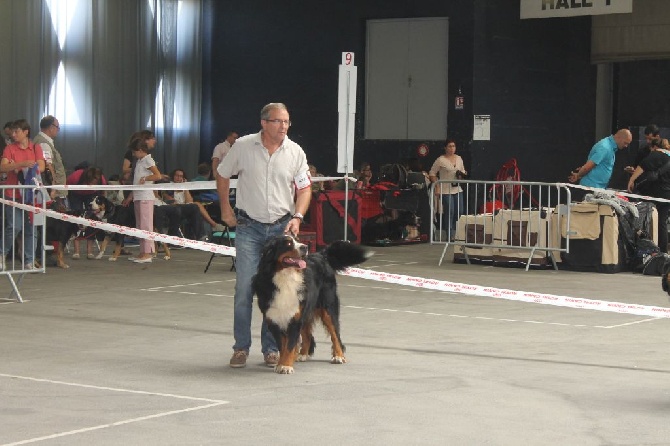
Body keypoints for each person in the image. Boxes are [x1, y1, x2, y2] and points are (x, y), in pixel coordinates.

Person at [216, 102, 311, 369]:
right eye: (279, 122)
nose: (284, 127)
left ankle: (271, 349)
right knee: (244, 289)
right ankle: (240, 348)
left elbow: (304, 189)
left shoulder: (295, 152)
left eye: (287, 122)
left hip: (281, 229)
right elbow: (222, 175)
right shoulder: (243, 147)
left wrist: (297, 217)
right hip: (249, 227)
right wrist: (225, 207)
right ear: (264, 123)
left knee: (276, 291)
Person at [0, 119, 46, 270]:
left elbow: (42, 166)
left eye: (16, 131)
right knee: (14, 226)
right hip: (12, 193)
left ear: (26, 132)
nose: (13, 135)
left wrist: (22, 166)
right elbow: (3, 167)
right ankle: (2, 255)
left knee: (31, 227)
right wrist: (21, 164)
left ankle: (29, 260)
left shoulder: (36, 147)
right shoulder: (9, 149)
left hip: (30, 194)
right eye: (12, 132)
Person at [627, 139, 670, 253]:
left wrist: (632, 180)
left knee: (643, 216)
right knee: (662, 222)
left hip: (655, 193)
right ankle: (663, 251)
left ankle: (644, 245)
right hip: (667, 195)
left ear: (654, 147)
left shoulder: (657, 154)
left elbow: (642, 166)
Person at [130, 137, 162, 263]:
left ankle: (148, 253)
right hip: (138, 196)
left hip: (146, 197)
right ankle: (142, 251)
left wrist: (146, 178)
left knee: (146, 225)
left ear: (140, 150)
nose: (133, 154)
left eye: (134, 152)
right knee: (140, 225)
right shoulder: (139, 161)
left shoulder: (148, 159)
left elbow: (158, 175)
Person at [569, 129, 633, 190]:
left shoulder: (609, 147)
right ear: (619, 137)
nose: (626, 146)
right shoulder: (605, 147)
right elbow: (588, 167)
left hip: (597, 187)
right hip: (591, 187)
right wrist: (578, 175)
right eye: (625, 143)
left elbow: (604, 165)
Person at [66, 166, 107, 259]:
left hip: (92, 195)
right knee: (76, 219)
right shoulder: (75, 176)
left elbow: (103, 193)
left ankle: (90, 251)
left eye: (96, 183)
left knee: (91, 219)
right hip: (75, 194)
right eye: (92, 182)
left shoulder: (102, 180)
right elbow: (66, 186)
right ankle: (76, 252)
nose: (94, 184)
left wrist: (100, 206)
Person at [429, 139, 467, 238]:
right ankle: (449, 234)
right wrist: (437, 185)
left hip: (457, 188)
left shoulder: (459, 158)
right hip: (445, 189)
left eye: (453, 146)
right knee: (450, 211)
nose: (451, 148)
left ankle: (457, 232)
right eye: (449, 146)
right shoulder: (440, 160)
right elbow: (432, 173)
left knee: (460, 211)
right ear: (445, 148)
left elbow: (463, 171)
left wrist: (462, 175)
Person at [33, 116, 67, 207]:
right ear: (51, 127)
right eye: (57, 128)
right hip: (53, 192)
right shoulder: (43, 143)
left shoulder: (43, 141)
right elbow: (49, 167)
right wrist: (53, 188)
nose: (58, 130)